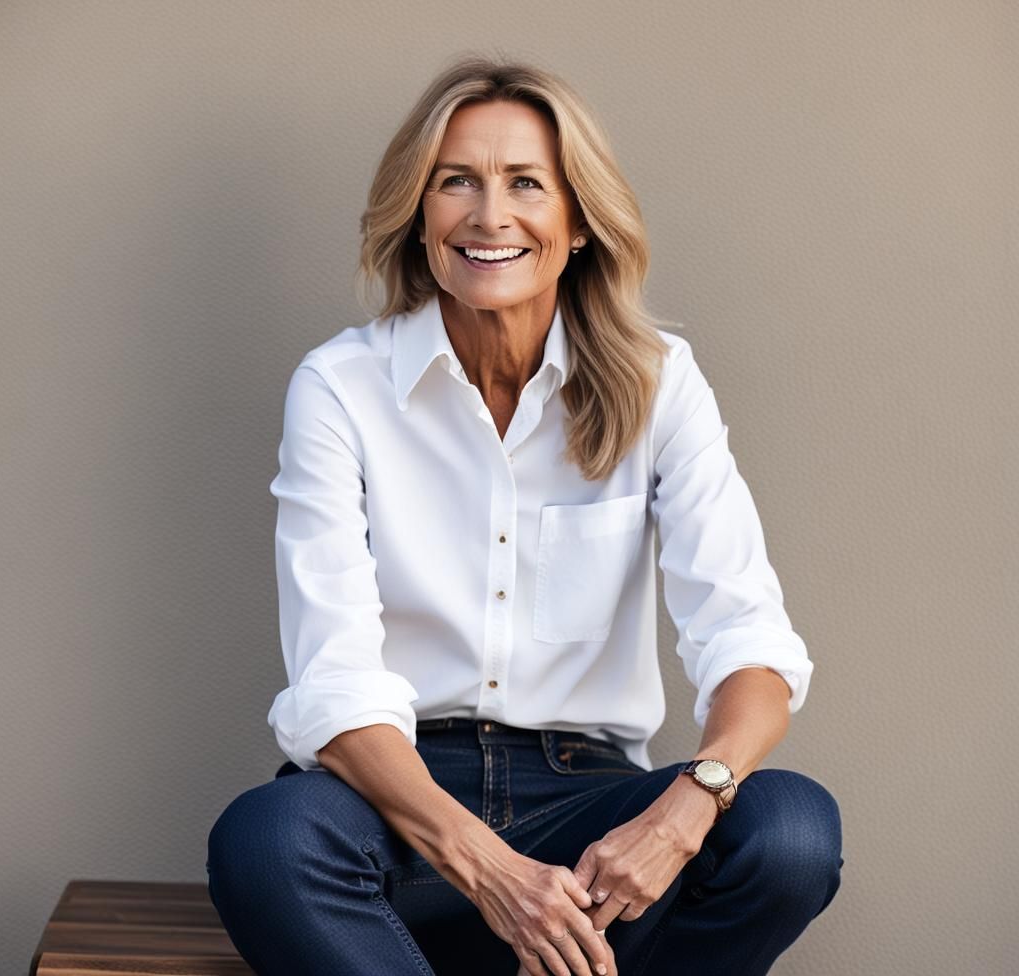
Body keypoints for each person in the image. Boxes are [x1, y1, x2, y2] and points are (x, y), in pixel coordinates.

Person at [206, 56, 842, 976]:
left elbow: (747, 637)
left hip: (589, 806)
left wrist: (687, 807)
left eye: (526, 184)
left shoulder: (661, 383)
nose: (489, 215)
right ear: (419, 214)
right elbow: (334, 683)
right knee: (266, 843)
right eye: (455, 181)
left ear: (577, 221)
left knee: (789, 831)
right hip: (399, 809)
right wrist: (489, 869)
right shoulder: (341, 388)